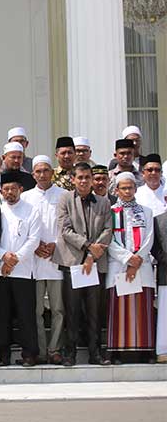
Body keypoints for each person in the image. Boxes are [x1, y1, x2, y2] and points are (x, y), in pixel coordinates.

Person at [53, 162, 113, 366]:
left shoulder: (104, 202)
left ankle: (95, 353)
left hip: (95, 263)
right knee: (72, 310)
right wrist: (88, 247)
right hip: (73, 262)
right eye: (80, 177)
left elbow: (108, 230)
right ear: (73, 179)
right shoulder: (65, 199)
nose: (84, 181)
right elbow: (65, 229)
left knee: (94, 311)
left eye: (88, 177)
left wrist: (91, 255)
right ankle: (70, 353)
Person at [21, 155, 69, 365]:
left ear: (52, 172)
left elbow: (68, 225)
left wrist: (55, 245)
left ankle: (54, 349)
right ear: (33, 174)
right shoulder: (26, 197)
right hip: (33, 260)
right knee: (36, 310)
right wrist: (36, 245)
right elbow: (23, 227)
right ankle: (40, 350)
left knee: (58, 309)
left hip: (57, 257)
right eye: (38, 171)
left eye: (46, 170)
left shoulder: (64, 195)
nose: (42, 175)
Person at [106, 173, 156, 363]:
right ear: (116, 190)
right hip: (118, 265)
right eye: (123, 188)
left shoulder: (146, 211)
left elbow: (149, 238)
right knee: (119, 310)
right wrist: (128, 259)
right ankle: (116, 352)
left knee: (143, 310)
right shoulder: (111, 211)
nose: (127, 191)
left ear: (136, 189)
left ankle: (146, 351)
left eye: (130, 188)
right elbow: (108, 240)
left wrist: (136, 260)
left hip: (141, 266)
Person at [0, 170, 41, 367]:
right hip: (0, 271)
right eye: (6, 189)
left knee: (25, 315)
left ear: (20, 189)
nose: (9, 193)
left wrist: (14, 260)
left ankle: (30, 354)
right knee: (1, 315)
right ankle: (3, 355)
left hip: (23, 270)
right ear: (1, 191)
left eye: (13, 189)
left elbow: (34, 240)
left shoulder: (32, 210)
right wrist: (3, 256)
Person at [149, 210, 167, 363]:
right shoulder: (157, 220)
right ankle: (163, 350)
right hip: (165, 273)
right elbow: (154, 248)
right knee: (164, 315)